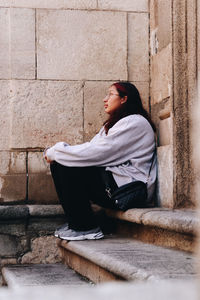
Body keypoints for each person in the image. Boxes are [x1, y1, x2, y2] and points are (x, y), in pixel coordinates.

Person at [44, 81, 157, 241]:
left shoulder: (135, 123)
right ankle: (79, 223)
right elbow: (92, 148)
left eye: (111, 94)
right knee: (64, 162)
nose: (105, 99)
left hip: (130, 191)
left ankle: (85, 227)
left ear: (124, 99)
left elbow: (99, 153)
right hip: (115, 186)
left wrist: (56, 151)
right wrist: (58, 152)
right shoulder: (115, 125)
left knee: (65, 164)